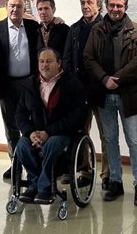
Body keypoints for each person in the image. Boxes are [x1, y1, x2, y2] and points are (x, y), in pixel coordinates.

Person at [83, 0, 137, 206]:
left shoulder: (136, 30)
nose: (115, 9)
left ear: (125, 7)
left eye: (119, 6)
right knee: (110, 140)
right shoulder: (97, 30)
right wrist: (104, 79)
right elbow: (88, 57)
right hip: (104, 95)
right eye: (111, 5)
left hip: (127, 95)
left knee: (134, 141)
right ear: (106, 7)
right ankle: (115, 182)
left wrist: (117, 79)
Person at [15, 48, 87, 204]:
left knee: (52, 144)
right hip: (36, 132)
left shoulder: (72, 83)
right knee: (22, 145)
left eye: (49, 61)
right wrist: (30, 132)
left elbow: (78, 115)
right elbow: (20, 114)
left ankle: (45, 188)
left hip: (62, 132)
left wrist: (49, 132)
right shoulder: (29, 84)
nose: (44, 65)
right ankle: (34, 184)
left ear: (59, 63)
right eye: (41, 61)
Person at [0, 0, 40, 179]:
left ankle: (33, 164)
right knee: (11, 128)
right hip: (6, 85)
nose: (15, 10)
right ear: (6, 7)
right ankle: (15, 164)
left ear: (24, 9)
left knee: (31, 125)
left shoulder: (34, 28)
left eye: (19, 6)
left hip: (30, 85)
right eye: (11, 6)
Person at [63, 0, 110, 189]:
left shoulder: (107, 27)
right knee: (81, 132)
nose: (85, 6)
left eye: (89, 2)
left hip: (100, 89)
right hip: (79, 90)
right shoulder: (74, 29)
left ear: (99, 5)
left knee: (106, 134)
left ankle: (107, 174)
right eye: (83, 2)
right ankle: (85, 171)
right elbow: (66, 59)